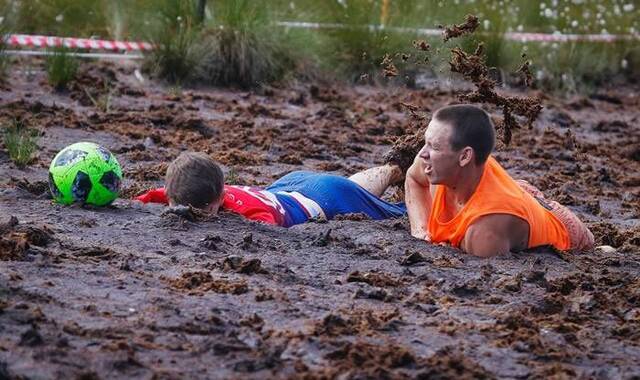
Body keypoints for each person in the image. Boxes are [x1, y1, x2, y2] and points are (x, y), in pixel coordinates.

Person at [404, 104, 594, 257]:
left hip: (566, 231)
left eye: (434, 147)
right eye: (425, 142)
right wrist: (420, 230)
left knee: (595, 248)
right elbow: (413, 178)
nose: (422, 153)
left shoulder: (484, 232)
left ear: (464, 157)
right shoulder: (433, 165)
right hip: (515, 192)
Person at [135, 151, 406, 227]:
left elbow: (270, 233)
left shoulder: (251, 213)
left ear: (221, 197)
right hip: (289, 184)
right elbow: (144, 200)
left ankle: (408, 171)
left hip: (327, 200)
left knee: (399, 214)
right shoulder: (182, 190)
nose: (197, 214)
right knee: (354, 187)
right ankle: (395, 169)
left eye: (205, 212)